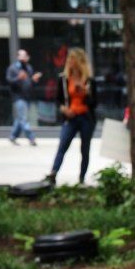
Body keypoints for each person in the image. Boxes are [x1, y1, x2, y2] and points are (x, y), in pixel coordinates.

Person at [48, 46, 96, 184]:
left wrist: (86, 92)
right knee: (63, 145)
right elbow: (58, 99)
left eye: (73, 59)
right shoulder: (63, 79)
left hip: (86, 118)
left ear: (80, 61)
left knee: (85, 149)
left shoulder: (89, 80)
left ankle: (81, 178)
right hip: (70, 117)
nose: (70, 61)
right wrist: (64, 109)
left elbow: (95, 103)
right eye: (69, 59)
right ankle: (53, 173)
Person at [6, 47, 42, 146]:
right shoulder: (13, 68)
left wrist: (34, 80)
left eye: (25, 55)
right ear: (18, 57)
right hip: (18, 97)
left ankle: (13, 136)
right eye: (22, 55)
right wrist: (18, 78)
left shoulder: (29, 68)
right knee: (23, 118)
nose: (24, 57)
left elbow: (29, 83)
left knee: (20, 118)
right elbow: (9, 81)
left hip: (27, 96)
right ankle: (31, 138)